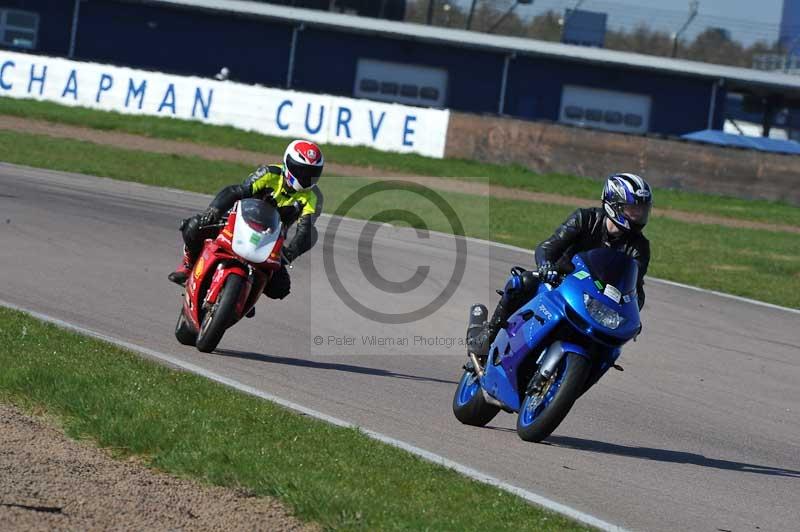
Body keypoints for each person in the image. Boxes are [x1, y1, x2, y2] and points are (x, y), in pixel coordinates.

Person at [468, 172, 653, 360]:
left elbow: (635, 287)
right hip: (560, 282)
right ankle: (488, 336)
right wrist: (546, 266)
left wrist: (633, 312)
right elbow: (547, 247)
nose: (639, 216)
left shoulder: (639, 247)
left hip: (597, 302)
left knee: (610, 348)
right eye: (633, 209)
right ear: (614, 205)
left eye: (642, 210)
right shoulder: (585, 219)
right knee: (521, 282)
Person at [168, 139, 324, 303]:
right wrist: (214, 209)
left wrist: (291, 252)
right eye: (301, 170)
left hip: (270, 240)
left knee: (281, 287)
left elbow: (306, 230)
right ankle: (188, 265)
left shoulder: (314, 197)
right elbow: (237, 190)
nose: (306, 177)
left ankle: (246, 293)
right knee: (194, 226)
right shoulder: (270, 173)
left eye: (311, 173)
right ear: (288, 163)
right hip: (238, 222)